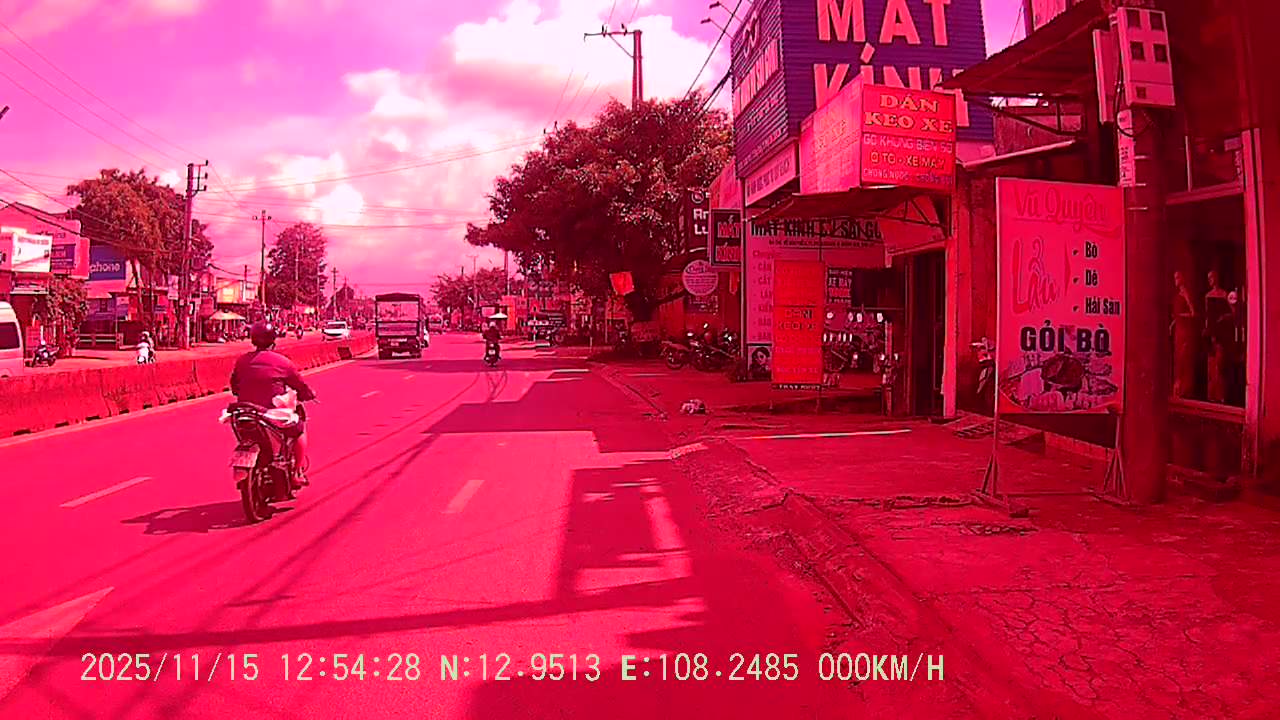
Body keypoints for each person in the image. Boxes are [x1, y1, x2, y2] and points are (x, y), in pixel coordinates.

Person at [231, 322, 317, 487]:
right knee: (299, 429)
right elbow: (300, 386)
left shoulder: (242, 361)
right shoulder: (283, 362)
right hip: (272, 414)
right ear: (273, 340)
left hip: (245, 412)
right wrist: (309, 394)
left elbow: (235, 386)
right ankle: (297, 473)